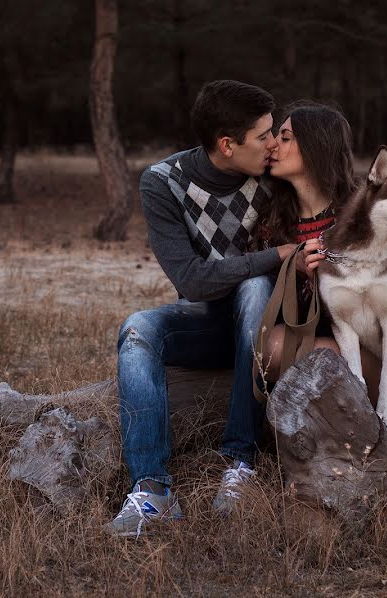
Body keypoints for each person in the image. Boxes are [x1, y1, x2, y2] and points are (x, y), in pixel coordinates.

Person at [106, 81, 300, 537]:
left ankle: (240, 463)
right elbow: (190, 279)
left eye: (275, 132)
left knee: (255, 288)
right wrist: (277, 255)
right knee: (137, 328)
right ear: (227, 145)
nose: (274, 143)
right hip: (207, 321)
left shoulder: (276, 169)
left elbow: (368, 198)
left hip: (269, 330)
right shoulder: (163, 182)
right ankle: (152, 490)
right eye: (263, 135)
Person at [257, 102, 387, 409]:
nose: (274, 144)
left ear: (316, 147)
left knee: (280, 349)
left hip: (382, 362)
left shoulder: (368, 212)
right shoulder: (274, 223)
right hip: (322, 341)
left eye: (285, 137)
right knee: (273, 348)